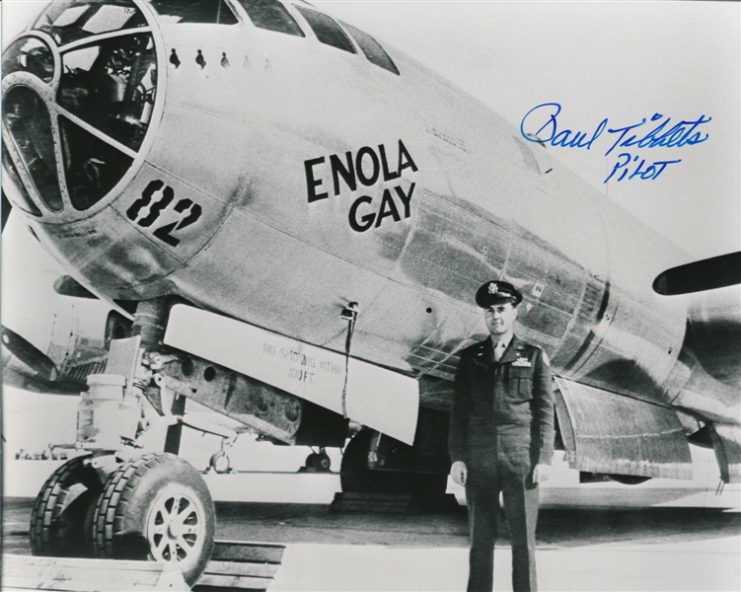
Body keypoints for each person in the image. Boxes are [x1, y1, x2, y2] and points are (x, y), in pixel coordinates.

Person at [449, 280, 555, 592]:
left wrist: (544, 458)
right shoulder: (471, 358)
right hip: (479, 457)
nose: (495, 316)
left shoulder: (534, 357)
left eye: (502, 310)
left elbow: (545, 413)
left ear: (514, 313)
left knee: (523, 542)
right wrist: (457, 458)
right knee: (479, 541)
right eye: (490, 311)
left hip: (519, 456)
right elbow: (458, 412)